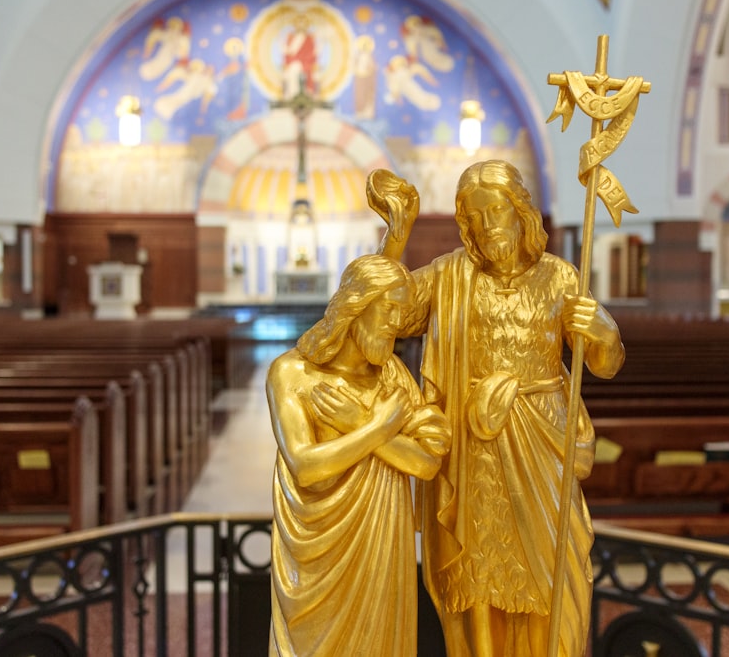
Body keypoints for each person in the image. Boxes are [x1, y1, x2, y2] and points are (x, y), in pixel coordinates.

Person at [385, 159, 626, 656]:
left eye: (495, 210)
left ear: (521, 212)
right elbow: (391, 310)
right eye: (474, 217)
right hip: (472, 452)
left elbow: (603, 364)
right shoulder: (452, 273)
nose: (487, 225)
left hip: (543, 444)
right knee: (479, 576)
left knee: (555, 572)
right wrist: (396, 234)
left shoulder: (560, 277)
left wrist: (604, 332)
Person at [266, 253, 450, 656]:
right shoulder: (292, 374)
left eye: (403, 313)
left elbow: (427, 462)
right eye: (389, 310)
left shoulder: (394, 375)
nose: (397, 324)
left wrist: (358, 422)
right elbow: (305, 466)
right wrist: (379, 427)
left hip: (382, 542)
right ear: (357, 305)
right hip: (315, 553)